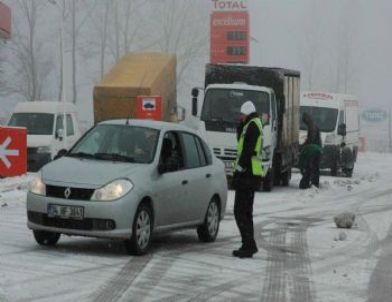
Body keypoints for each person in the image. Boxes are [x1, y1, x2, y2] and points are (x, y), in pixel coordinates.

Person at [232, 100, 264, 258]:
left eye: (242, 115)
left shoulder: (252, 126)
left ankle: (249, 245)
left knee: (240, 212)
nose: (240, 118)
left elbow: (247, 151)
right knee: (244, 212)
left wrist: (238, 171)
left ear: (247, 114)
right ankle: (248, 244)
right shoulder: (251, 124)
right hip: (249, 175)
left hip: (248, 175)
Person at [299, 112, 322, 189]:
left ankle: (314, 183)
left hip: (314, 150)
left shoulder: (312, 126)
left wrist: (304, 145)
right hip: (316, 150)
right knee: (314, 168)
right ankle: (314, 183)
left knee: (312, 167)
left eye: (304, 121)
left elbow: (311, 139)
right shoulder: (312, 125)